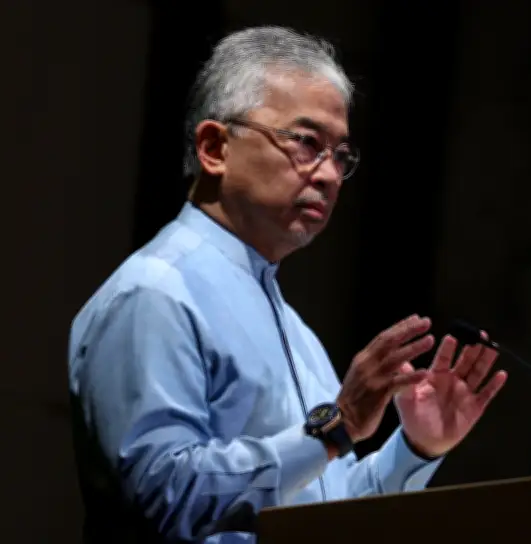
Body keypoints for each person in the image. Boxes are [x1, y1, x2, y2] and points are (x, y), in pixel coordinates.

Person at [68, 26, 507, 544]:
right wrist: (337, 426)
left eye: (340, 156)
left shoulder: (294, 329)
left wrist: (415, 449)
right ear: (214, 147)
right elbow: (165, 497)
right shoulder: (155, 294)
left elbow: (324, 509)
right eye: (306, 143)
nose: (329, 175)